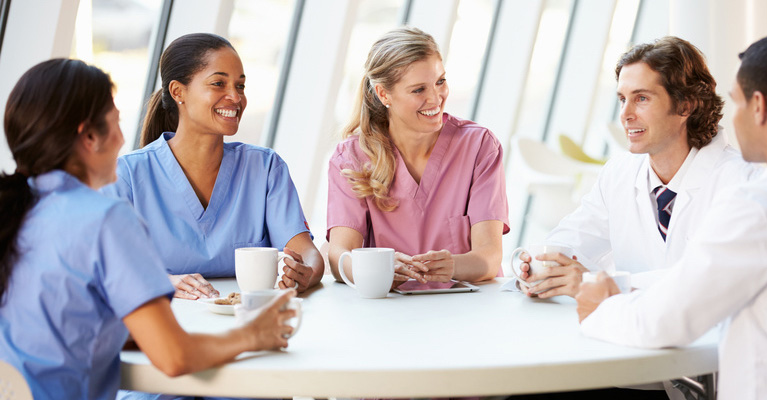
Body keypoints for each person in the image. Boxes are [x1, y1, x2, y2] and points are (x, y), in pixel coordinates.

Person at [0, 58, 298, 400]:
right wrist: (253, 334)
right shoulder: (104, 218)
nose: (123, 138)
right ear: (90, 136)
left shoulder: (18, 210)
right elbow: (174, 357)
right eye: (116, 123)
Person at [577, 32, 767, 400]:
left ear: (759, 106)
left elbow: (664, 323)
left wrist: (599, 306)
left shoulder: (764, 204)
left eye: (735, 103)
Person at [516, 36, 758, 298]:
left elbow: (711, 280)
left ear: (685, 105)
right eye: (622, 99)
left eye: (641, 98)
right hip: (624, 331)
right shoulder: (619, 173)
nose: (625, 114)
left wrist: (597, 284)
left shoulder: (742, 181)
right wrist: (534, 266)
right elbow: (572, 238)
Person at [102, 33, 323, 299]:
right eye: (219, 83)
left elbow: (306, 252)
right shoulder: (126, 176)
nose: (235, 97)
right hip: (168, 324)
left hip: (248, 320)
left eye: (240, 86)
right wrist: (163, 282)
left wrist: (304, 272)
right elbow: (107, 267)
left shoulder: (265, 168)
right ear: (178, 92)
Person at [327, 27, 509, 287]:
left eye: (440, 81)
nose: (435, 98)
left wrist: (451, 266)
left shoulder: (479, 146)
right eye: (418, 90)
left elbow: (489, 257)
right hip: (389, 311)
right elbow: (339, 256)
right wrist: (379, 270)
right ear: (383, 94)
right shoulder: (351, 158)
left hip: (468, 310)